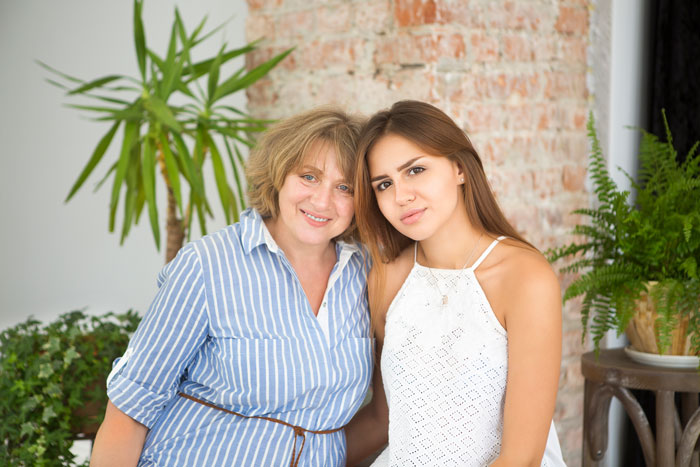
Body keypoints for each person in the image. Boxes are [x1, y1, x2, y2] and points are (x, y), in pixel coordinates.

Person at [90, 108, 373, 467]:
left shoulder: (364, 273)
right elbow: (128, 413)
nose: (322, 201)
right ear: (278, 175)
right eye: (309, 176)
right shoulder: (206, 265)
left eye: (344, 187)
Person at [344, 100, 566, 466]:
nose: (401, 196)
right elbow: (383, 421)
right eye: (384, 184)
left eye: (415, 170)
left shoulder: (524, 278)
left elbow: (521, 458)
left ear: (460, 168)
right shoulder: (387, 278)